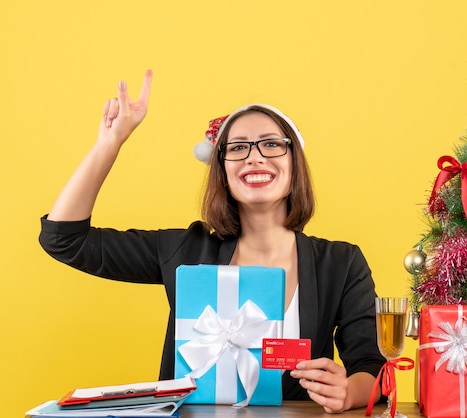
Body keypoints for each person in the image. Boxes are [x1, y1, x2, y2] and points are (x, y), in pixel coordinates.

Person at [39, 70, 385, 413]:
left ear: (295, 163)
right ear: (221, 169)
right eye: (237, 148)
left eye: (272, 144)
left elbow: (372, 366)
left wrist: (350, 392)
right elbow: (65, 240)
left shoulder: (341, 263)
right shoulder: (186, 251)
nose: (254, 156)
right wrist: (109, 143)